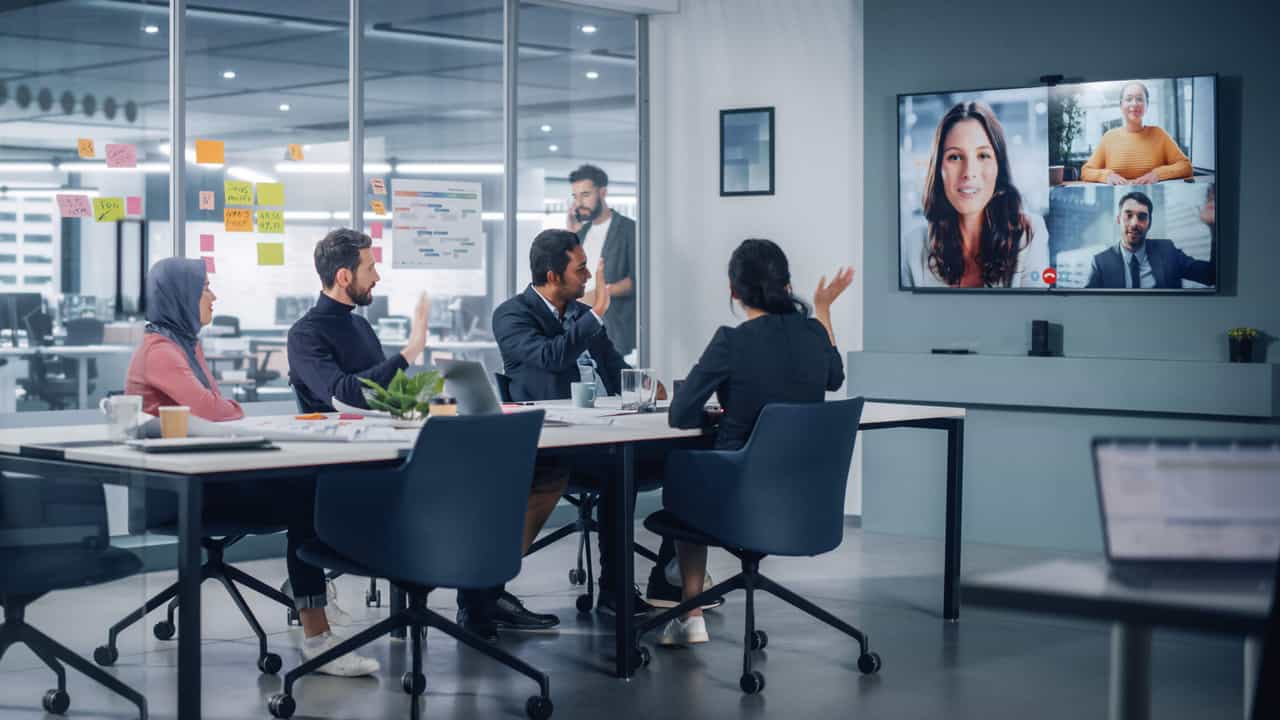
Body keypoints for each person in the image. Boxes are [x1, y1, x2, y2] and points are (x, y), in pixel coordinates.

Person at [287, 228, 562, 641]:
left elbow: (387, 396)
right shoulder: (305, 335)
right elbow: (345, 394)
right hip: (345, 473)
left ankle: (481, 598)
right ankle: (317, 634)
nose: (377, 276)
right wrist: (411, 351)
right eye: (370, 267)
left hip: (394, 454)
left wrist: (432, 403)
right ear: (344, 277)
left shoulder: (360, 329)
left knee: (504, 481)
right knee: (302, 507)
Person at [127, 257, 378, 677]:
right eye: (204, 287)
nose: (212, 295)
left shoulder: (185, 345)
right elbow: (215, 412)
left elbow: (218, 413)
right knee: (306, 495)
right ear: (180, 298)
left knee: (309, 485)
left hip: (205, 475)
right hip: (178, 491)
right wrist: (228, 409)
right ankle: (316, 633)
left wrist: (226, 410)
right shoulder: (162, 352)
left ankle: (309, 593)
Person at [655, 239, 853, 645]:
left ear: (734, 291)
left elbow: (679, 415)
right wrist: (824, 310)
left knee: (686, 470)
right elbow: (835, 378)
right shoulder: (815, 333)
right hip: (805, 501)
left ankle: (691, 613)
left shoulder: (733, 340)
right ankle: (682, 584)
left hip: (739, 498)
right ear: (787, 284)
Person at [493, 228, 674, 616]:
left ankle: (653, 583)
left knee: (680, 461)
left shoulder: (578, 314)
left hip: (600, 439)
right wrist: (594, 314)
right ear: (554, 275)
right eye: (581, 268)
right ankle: (483, 597)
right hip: (550, 445)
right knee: (615, 470)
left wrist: (644, 385)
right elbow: (551, 356)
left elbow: (614, 367)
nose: (589, 276)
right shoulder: (512, 315)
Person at [901, 101, 1049, 288]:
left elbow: (1034, 311)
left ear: (998, 166)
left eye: (983, 156)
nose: (969, 172)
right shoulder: (913, 246)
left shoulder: (1030, 233)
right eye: (955, 157)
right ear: (939, 168)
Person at [566, 164, 637, 357]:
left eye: (586, 194)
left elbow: (636, 281)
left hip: (614, 329)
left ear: (603, 192)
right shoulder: (580, 234)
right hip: (580, 327)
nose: (579, 202)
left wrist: (599, 294)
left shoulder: (629, 229)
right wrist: (570, 236)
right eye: (576, 196)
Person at [1084, 191, 1214, 289]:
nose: (1134, 223)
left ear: (1149, 223)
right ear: (1118, 220)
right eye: (1128, 215)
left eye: (1142, 217)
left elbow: (1210, 275)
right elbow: (1087, 303)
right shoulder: (1101, 262)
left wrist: (1214, 226)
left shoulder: (1167, 251)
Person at [1080, 81, 1193, 185]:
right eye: (1128, 99)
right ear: (1121, 105)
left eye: (1139, 99)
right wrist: (1106, 176)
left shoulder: (1159, 134)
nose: (1134, 104)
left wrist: (1158, 174)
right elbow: (1086, 171)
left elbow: (1186, 166)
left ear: (1146, 105)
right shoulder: (1109, 137)